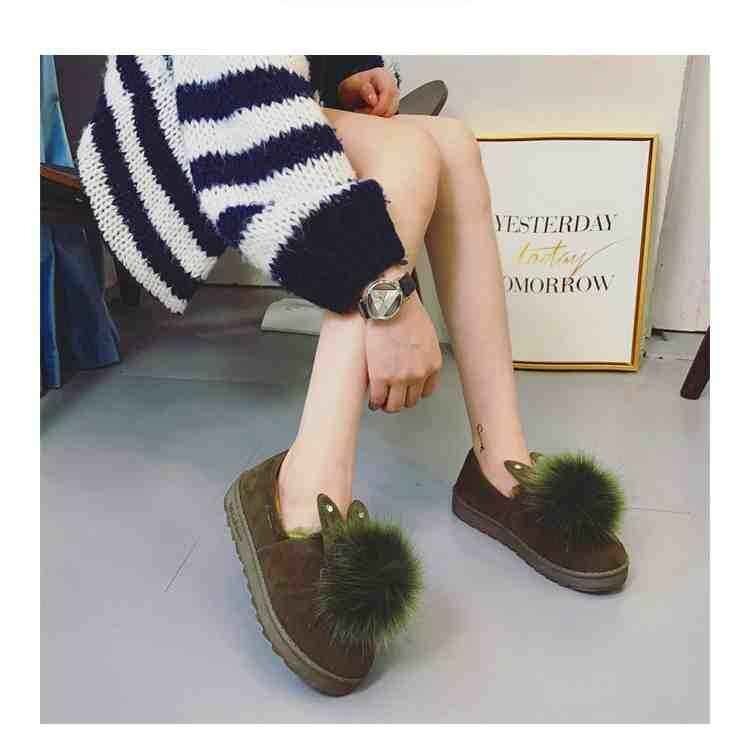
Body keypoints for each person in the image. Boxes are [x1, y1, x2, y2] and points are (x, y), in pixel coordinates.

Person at [78, 55, 629, 697]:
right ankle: (304, 488)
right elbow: (240, 110)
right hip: (181, 125)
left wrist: (349, 67)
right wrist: (384, 296)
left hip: (247, 97)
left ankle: (499, 464)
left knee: (451, 143)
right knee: (409, 155)